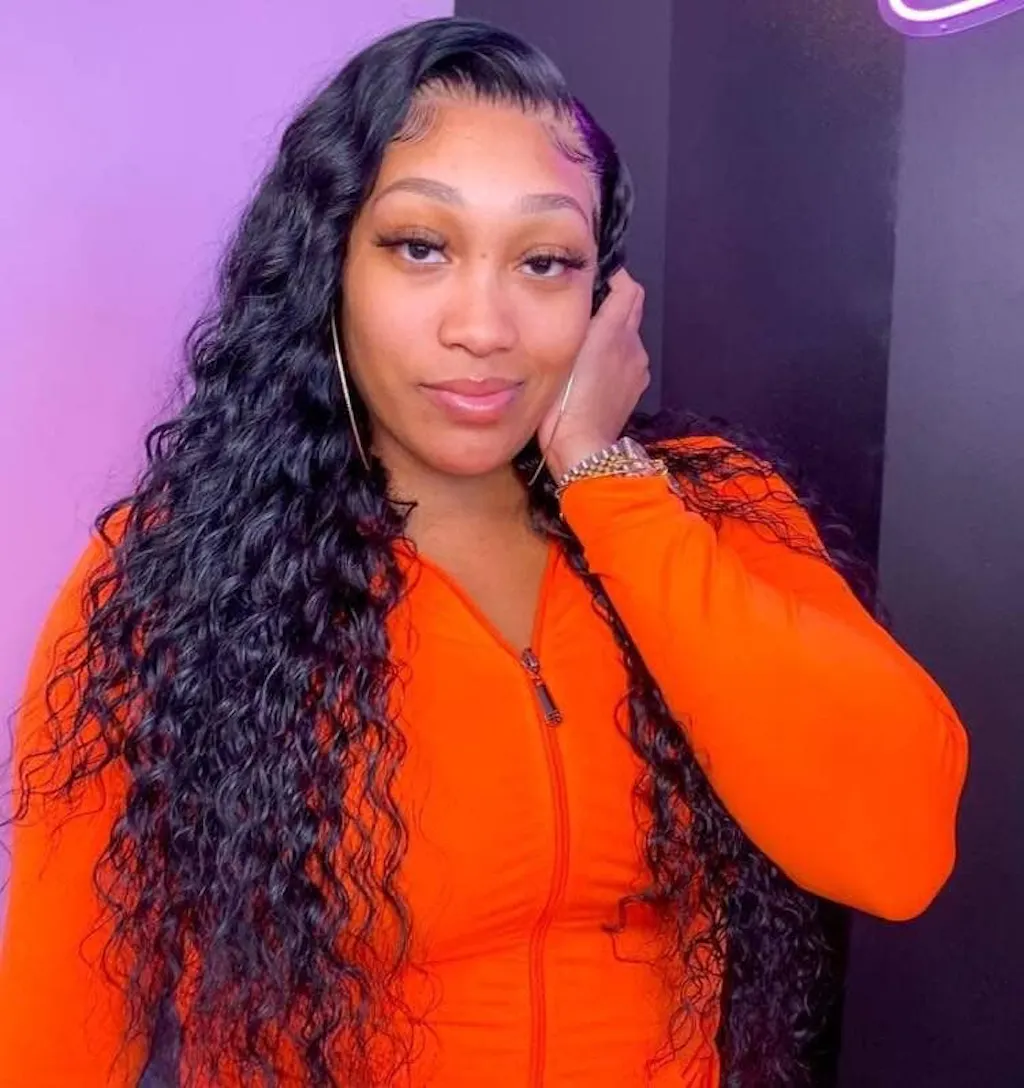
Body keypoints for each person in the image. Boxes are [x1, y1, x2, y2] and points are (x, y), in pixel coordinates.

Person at [0, 16, 968, 1088]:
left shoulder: (707, 508)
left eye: (544, 261)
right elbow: (60, 1022)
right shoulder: (177, 575)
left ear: (604, 297)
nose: (484, 326)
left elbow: (895, 850)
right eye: (421, 246)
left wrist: (604, 479)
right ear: (329, 267)